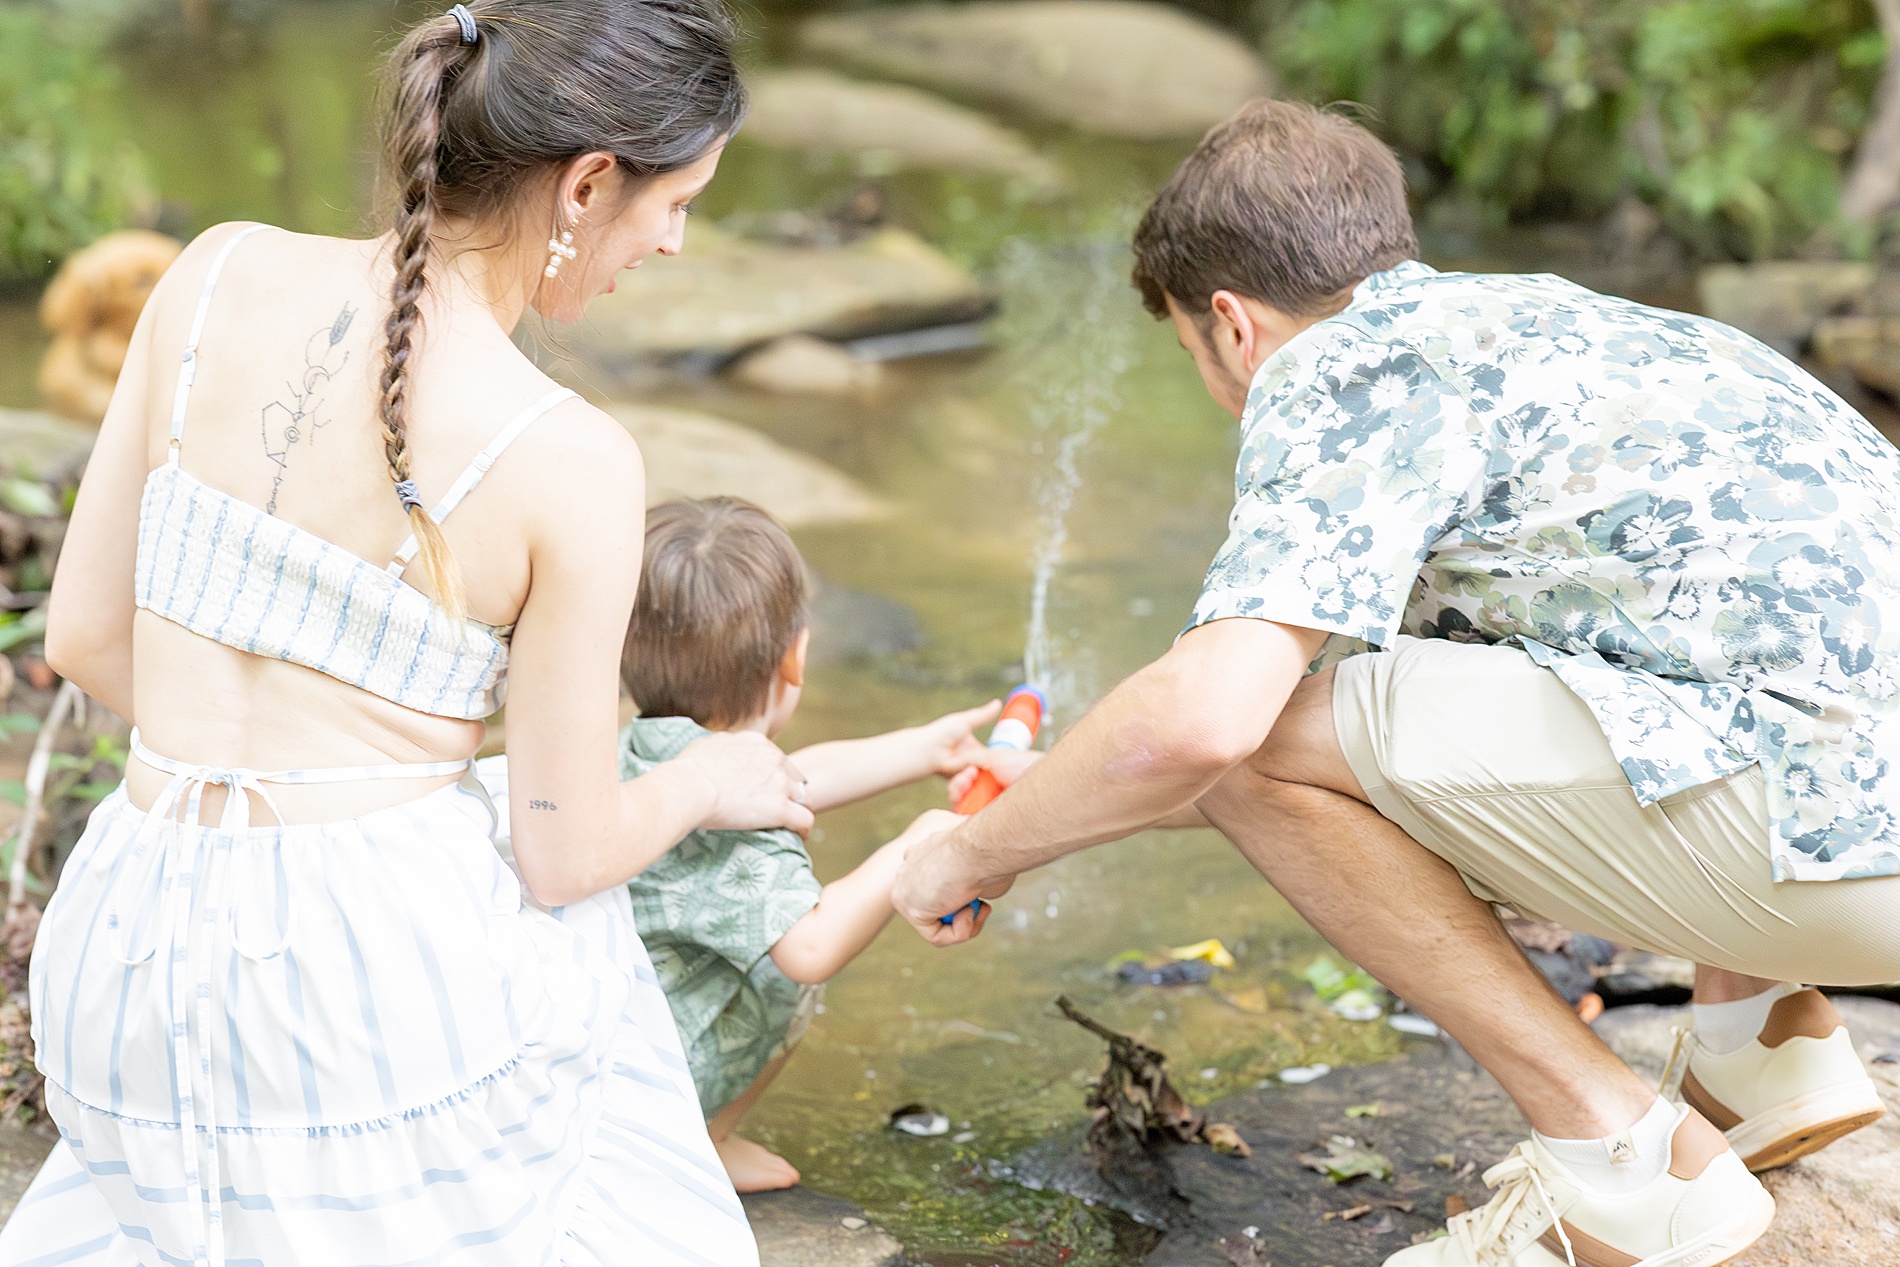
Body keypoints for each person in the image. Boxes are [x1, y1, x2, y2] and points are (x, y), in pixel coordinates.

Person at [892, 99, 1900, 1267]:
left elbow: (1219, 732)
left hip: (1840, 860)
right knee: (1674, 637)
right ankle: (1759, 1045)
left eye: (1195, 362)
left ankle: (1627, 1168)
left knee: (1259, 724)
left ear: (1231, 325)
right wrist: (1046, 799)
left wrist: (973, 854)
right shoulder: (1576, 328)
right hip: (1857, 832)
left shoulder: (1339, 366)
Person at [0, 3, 810, 1264]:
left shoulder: (208, 269)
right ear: (589, 183)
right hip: (350, 1014)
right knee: (565, 917)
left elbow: (92, 636)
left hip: (120, 964)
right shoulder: (570, 455)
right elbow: (566, 855)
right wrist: (707, 776)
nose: (675, 243)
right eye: (677, 204)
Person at [596, 496, 983, 1192]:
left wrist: (925, 747)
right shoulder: (747, 827)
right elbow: (808, 948)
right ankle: (700, 1140)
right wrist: (912, 845)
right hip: (656, 1074)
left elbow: (797, 778)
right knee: (788, 954)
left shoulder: (648, 750)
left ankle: (692, 1131)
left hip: (605, 1043)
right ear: (796, 659)